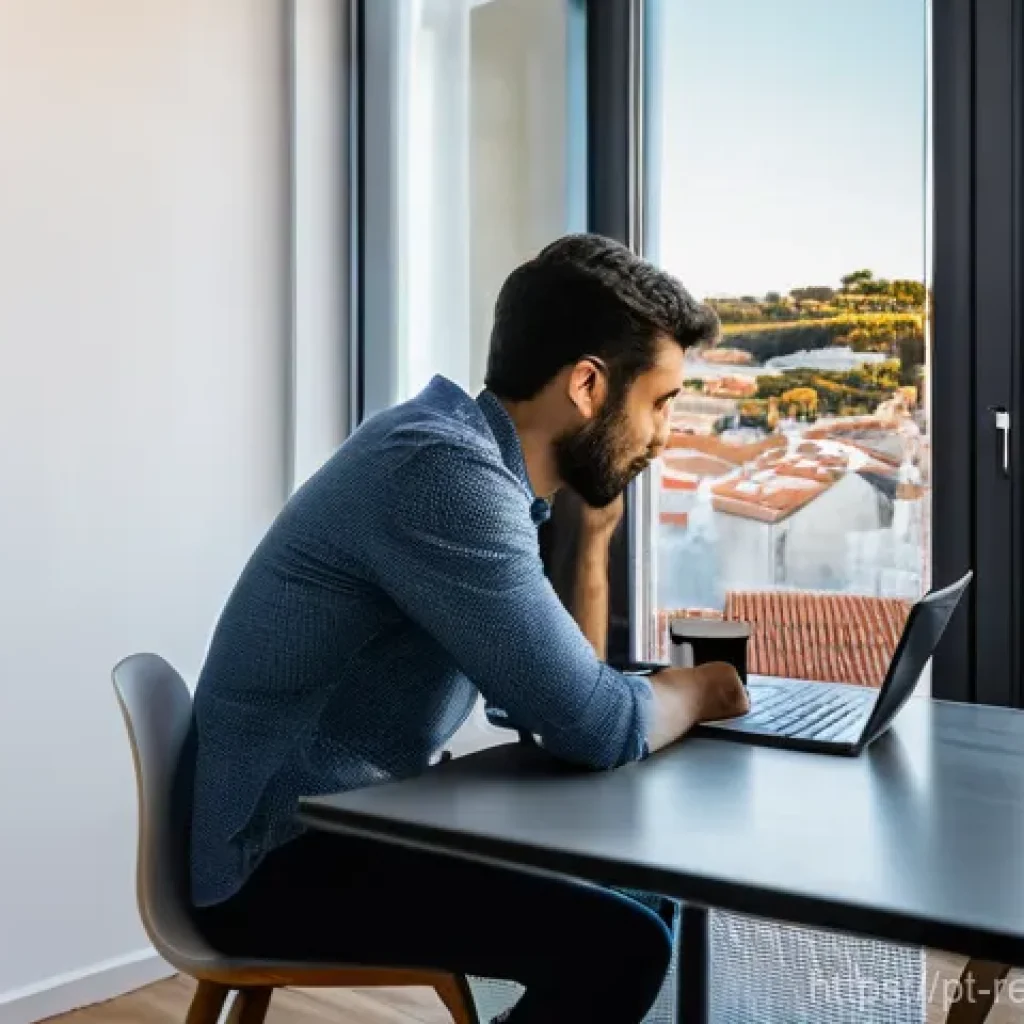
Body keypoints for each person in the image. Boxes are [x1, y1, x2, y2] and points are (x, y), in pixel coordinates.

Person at [189, 233, 749, 1023]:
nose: (663, 436)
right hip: (275, 854)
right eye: (659, 403)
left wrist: (590, 549)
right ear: (588, 386)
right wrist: (703, 688)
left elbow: (552, 702)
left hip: (342, 822)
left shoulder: (458, 454)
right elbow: (592, 723)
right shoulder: (444, 478)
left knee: (641, 897)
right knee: (619, 944)